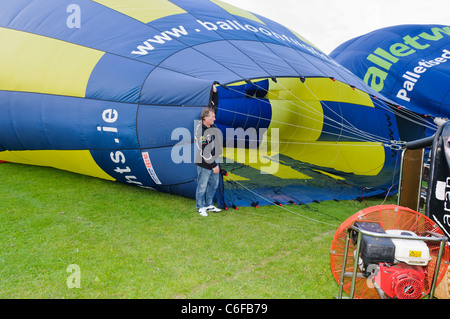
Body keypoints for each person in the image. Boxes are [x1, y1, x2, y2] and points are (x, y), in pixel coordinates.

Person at [195, 106, 222, 217]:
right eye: (213, 116)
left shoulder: (213, 127)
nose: (214, 119)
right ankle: (200, 207)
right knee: (202, 186)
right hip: (204, 163)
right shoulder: (200, 130)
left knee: (214, 184)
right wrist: (214, 165)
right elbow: (204, 150)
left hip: (214, 160)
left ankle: (209, 204)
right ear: (205, 117)